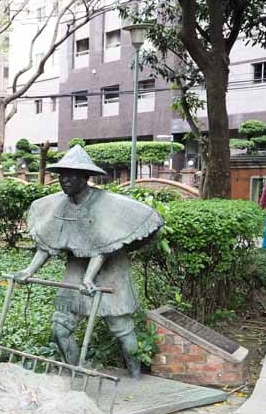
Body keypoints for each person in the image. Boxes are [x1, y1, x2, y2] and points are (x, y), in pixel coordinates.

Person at [12, 145, 164, 379]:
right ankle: (77, 375)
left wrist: (89, 279)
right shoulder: (57, 204)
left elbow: (101, 248)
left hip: (110, 268)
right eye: (62, 175)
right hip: (77, 267)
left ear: (85, 177)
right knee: (60, 329)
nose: (65, 180)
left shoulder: (104, 203)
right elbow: (48, 243)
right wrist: (28, 271)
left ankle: (136, 376)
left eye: (71, 175)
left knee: (123, 331)